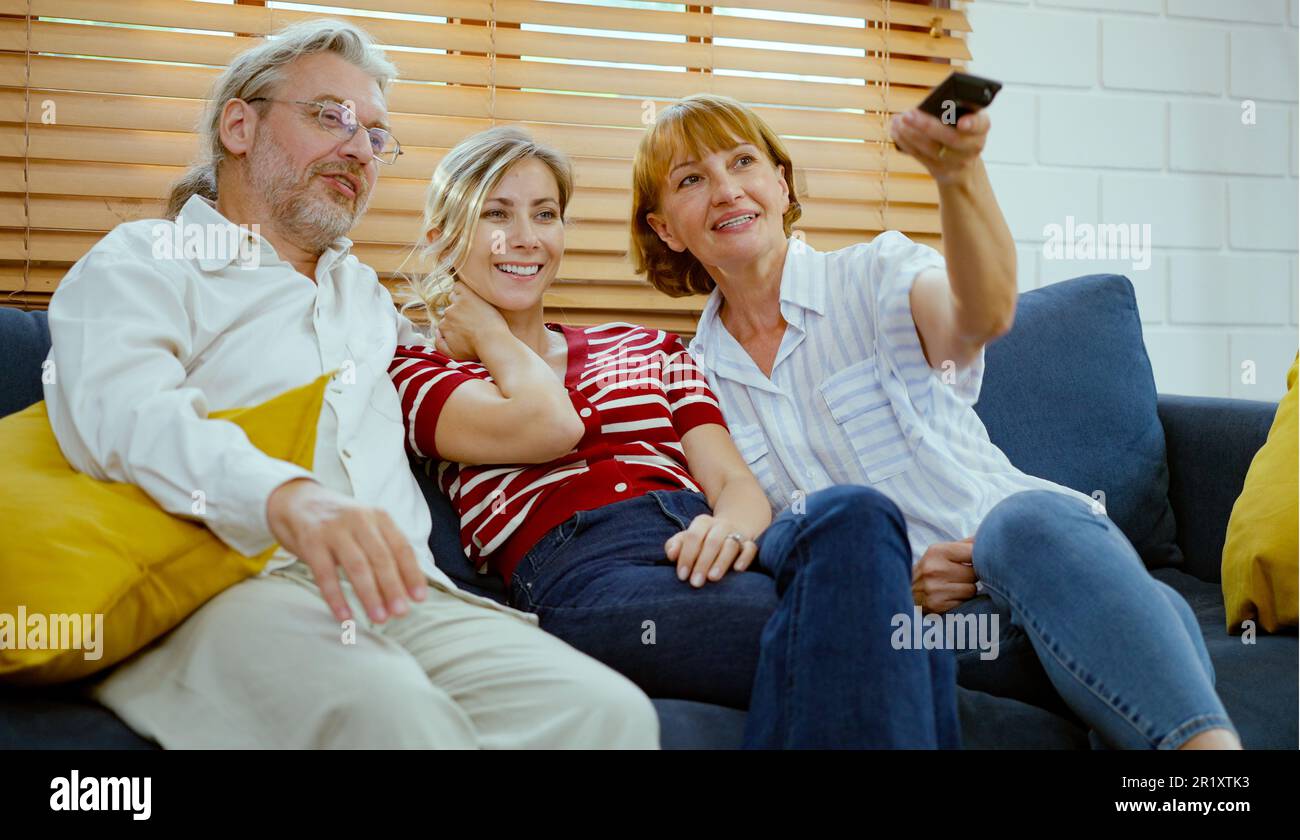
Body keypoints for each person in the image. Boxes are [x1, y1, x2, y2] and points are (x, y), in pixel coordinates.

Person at [42, 19, 658, 749]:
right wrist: (285, 498)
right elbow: (119, 411)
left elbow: (532, 409)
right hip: (229, 586)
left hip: (403, 595)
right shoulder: (146, 259)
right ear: (240, 125)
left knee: (607, 712)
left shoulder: (367, 300)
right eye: (330, 116)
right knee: (391, 714)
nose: (359, 148)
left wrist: (479, 310)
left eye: (374, 133)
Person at [628, 92, 1242, 750]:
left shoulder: (876, 274)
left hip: (1039, 568)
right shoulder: (692, 386)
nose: (725, 190)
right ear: (666, 228)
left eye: (742, 161)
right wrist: (895, 589)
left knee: (1030, 525)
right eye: (691, 179)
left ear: (779, 185)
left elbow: (978, 316)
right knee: (886, 674)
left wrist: (959, 176)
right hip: (927, 634)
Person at [390, 125, 960, 748]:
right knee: (893, 642)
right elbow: (551, 426)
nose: (525, 237)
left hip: (708, 547)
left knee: (854, 512)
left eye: (545, 213)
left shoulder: (645, 346)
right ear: (445, 238)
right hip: (588, 574)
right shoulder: (419, 374)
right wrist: (488, 333)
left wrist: (731, 526)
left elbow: (733, 483)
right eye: (495, 214)